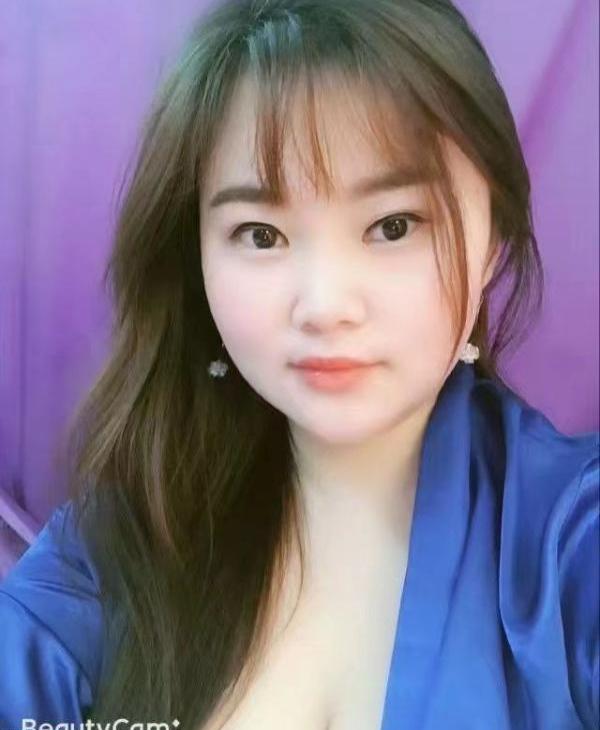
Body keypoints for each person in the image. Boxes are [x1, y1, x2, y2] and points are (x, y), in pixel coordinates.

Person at [1, 0, 598, 728]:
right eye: (261, 235)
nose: (323, 305)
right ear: (197, 259)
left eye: (392, 226)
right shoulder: (103, 564)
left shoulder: (570, 545)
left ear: (494, 240)